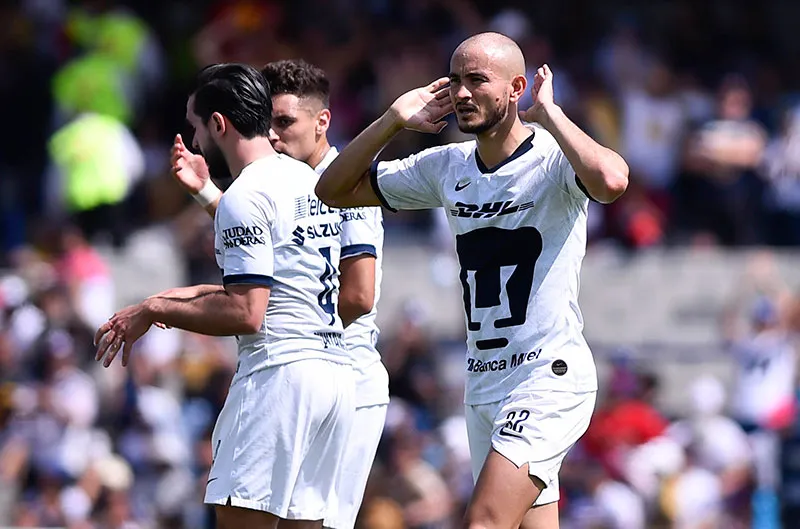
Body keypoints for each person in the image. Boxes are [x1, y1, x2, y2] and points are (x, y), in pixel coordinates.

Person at [315, 32, 629, 529]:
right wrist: (394, 119)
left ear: (516, 88)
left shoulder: (551, 159)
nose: (461, 93)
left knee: (483, 521)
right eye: (456, 80)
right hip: (484, 383)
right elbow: (333, 191)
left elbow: (612, 181)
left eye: (477, 80)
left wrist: (550, 115)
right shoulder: (447, 167)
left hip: (546, 376)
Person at [93, 63, 355, 529]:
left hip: (278, 376)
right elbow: (272, 285)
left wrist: (156, 309)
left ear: (219, 124)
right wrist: (166, 299)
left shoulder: (246, 195)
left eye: (196, 127)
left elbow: (247, 311)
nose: (194, 142)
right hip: (333, 377)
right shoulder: (307, 181)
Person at [170, 58, 388, 529]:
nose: (274, 134)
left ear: (322, 121)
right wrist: (209, 193)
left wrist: (291, 333)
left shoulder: (342, 182)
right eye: (268, 122)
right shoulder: (287, 184)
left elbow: (358, 295)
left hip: (340, 370)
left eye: (285, 122)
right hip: (322, 370)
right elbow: (279, 256)